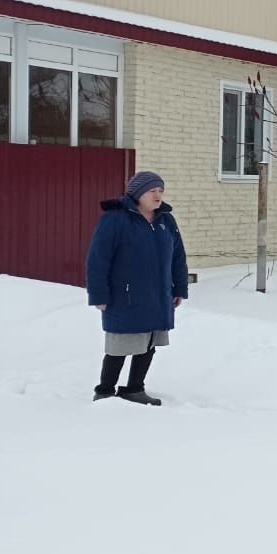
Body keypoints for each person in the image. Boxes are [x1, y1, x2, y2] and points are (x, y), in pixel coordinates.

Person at [85, 171, 189, 405]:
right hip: (125, 294)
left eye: (161, 191)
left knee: (149, 342)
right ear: (137, 193)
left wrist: (179, 287)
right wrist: (99, 295)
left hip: (158, 294)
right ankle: (104, 390)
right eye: (152, 190)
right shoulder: (115, 219)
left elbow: (178, 256)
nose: (157, 195)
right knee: (119, 345)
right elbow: (98, 259)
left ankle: (134, 389)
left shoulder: (166, 220)